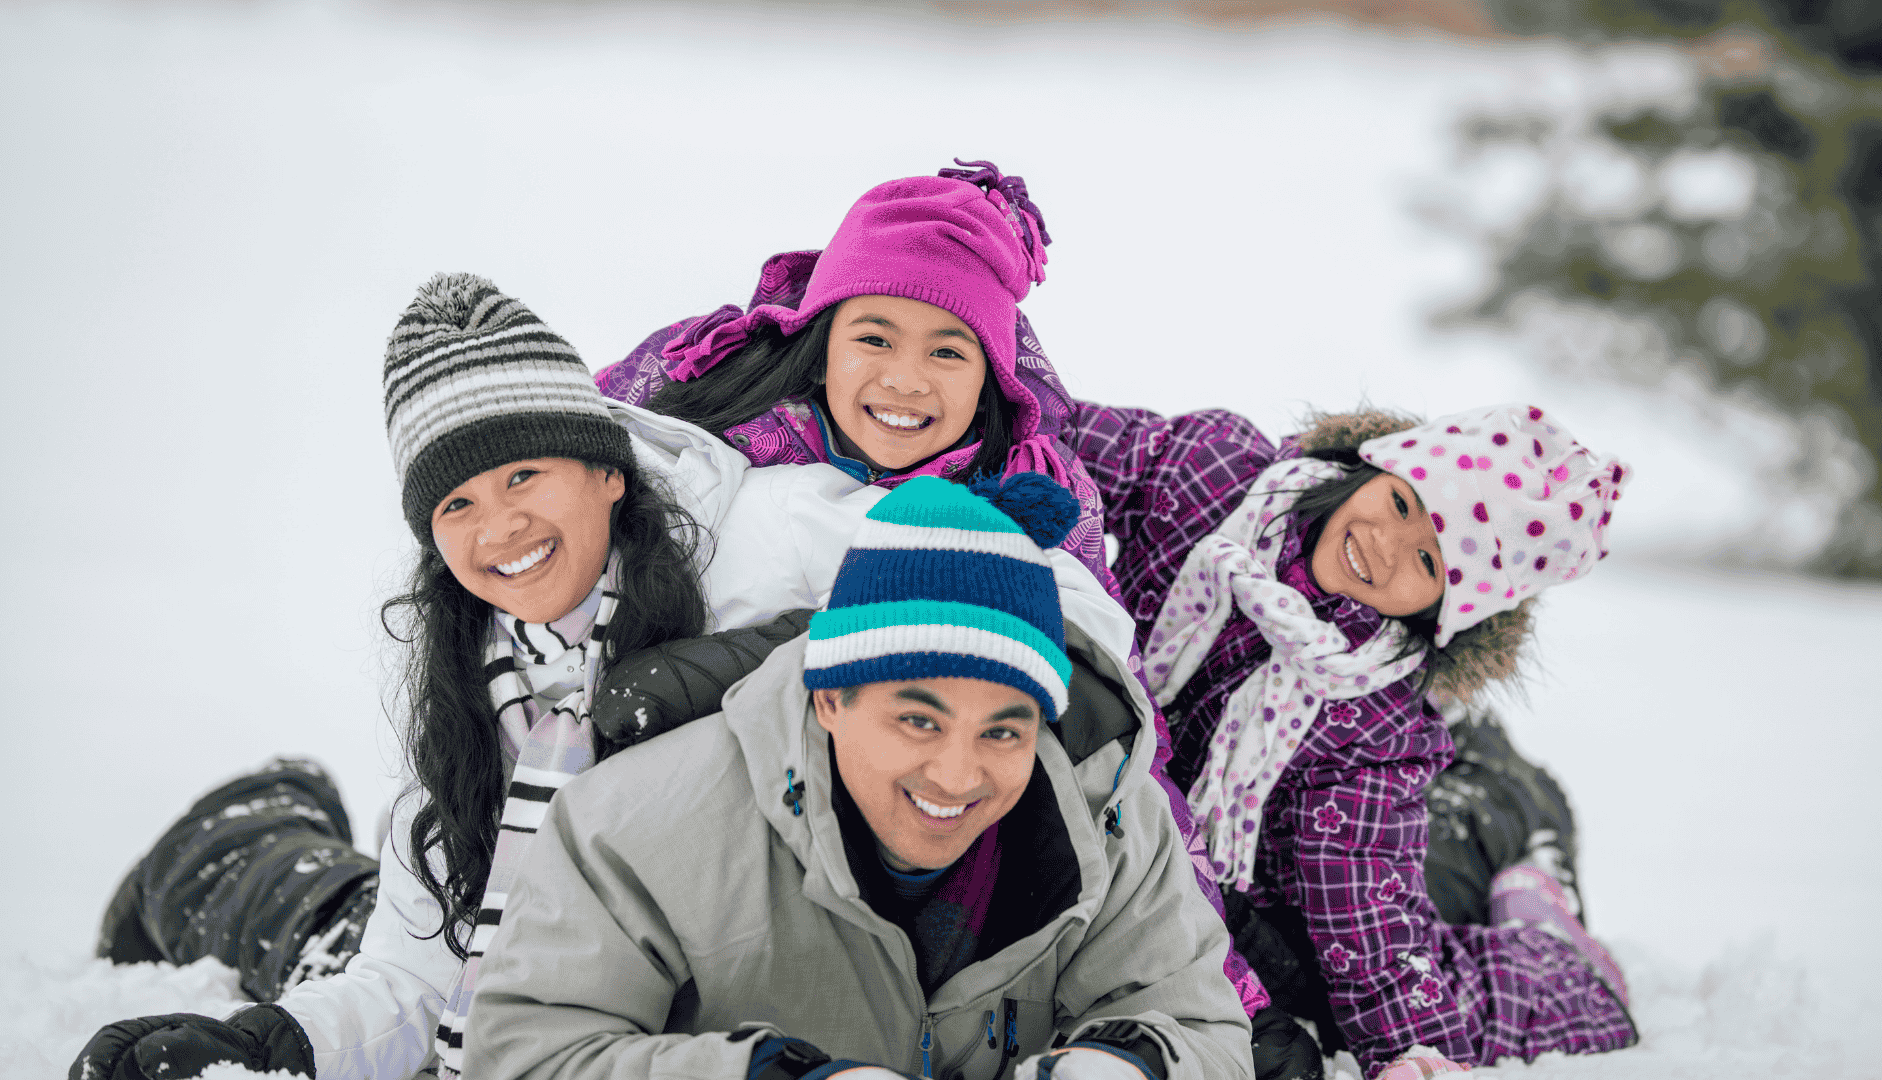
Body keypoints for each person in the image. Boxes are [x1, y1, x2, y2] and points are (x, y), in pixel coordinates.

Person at [71, 274, 1159, 1080]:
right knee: (329, 926)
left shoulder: (755, 535)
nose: (498, 530)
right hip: (545, 994)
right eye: (456, 506)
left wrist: (735, 665)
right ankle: (227, 841)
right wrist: (273, 1042)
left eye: (525, 476)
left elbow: (1033, 587)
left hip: (690, 1003)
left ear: (605, 469)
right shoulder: (481, 680)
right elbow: (416, 984)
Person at [594, 158, 1269, 1021]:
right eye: (875, 337)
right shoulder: (729, 464)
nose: (907, 381)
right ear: (822, 341)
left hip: (948, 856)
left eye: (948, 351)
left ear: (989, 376)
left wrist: (1230, 997)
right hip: (729, 852)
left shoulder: (1029, 501)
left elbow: (1112, 729)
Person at [463, 474, 1254, 1080]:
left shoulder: (1112, 821)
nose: (956, 773)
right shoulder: (630, 825)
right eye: (918, 720)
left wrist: (1125, 1065)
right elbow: (527, 1055)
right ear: (832, 698)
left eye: (1003, 730)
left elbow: (1199, 1028)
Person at [1060, 402, 1638, 1078]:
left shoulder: (1377, 725)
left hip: (1270, 905)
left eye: (1427, 558)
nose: (1384, 545)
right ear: (1373, 464)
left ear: (1445, 609)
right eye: (1400, 503)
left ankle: (1543, 924)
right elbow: (1043, 431)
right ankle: (1480, 751)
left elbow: (1361, 907)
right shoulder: (1212, 475)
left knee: (1427, 923)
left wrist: (1408, 1049)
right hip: (1158, 828)